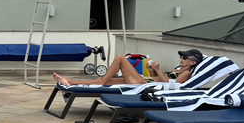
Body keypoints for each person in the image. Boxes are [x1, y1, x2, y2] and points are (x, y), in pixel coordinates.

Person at [51, 48, 204, 88]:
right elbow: (157, 77)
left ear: (192, 62)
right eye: (181, 57)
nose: (181, 59)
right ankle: (69, 82)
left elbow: (169, 85)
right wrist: (152, 70)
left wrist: (157, 71)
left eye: (185, 58)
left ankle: (100, 81)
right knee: (103, 80)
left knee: (120, 58)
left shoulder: (187, 73)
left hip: (144, 86)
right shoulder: (177, 69)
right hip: (145, 81)